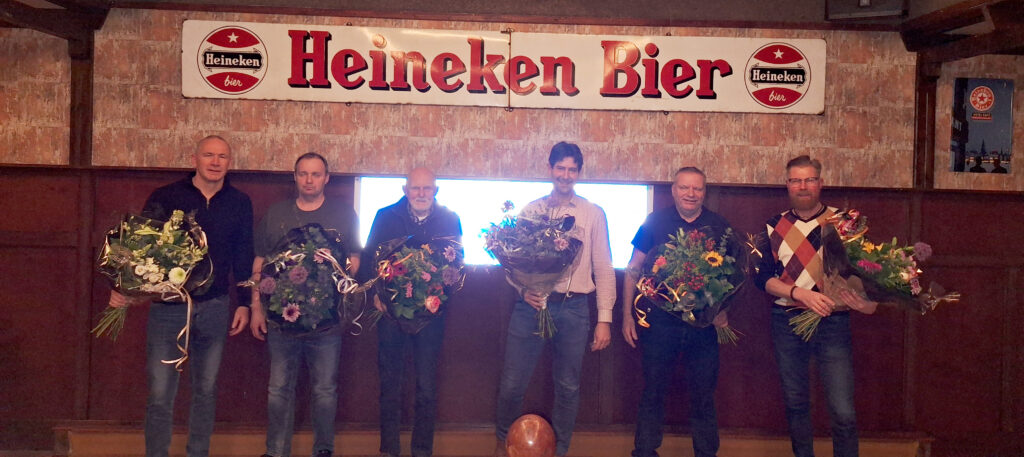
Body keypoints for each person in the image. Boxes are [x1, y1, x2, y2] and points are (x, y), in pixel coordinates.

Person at [107, 135, 254, 457]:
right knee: (161, 393)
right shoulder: (166, 196)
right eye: (209, 155)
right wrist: (122, 286)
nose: (215, 162)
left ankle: (197, 453)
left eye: (222, 157)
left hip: (215, 305)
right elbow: (139, 247)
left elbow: (244, 255)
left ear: (229, 163)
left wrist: (245, 302)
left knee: (206, 391)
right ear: (194, 159)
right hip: (169, 307)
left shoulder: (240, 202)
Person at [494, 142, 615, 457]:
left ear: (579, 173)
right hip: (531, 307)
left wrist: (604, 318)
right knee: (512, 384)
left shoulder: (593, 213)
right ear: (550, 169)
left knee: (568, 387)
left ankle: (558, 451)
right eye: (560, 168)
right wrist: (524, 291)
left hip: (575, 308)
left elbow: (604, 267)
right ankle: (505, 446)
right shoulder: (531, 211)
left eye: (572, 169)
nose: (565, 175)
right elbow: (511, 266)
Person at [754, 155, 877, 457]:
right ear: (787, 185)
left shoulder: (844, 222)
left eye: (809, 180)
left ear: (821, 183)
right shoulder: (773, 225)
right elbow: (763, 279)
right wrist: (799, 294)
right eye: (796, 180)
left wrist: (865, 302)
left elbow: (867, 271)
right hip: (787, 320)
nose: (803, 186)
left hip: (833, 322)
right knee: (796, 403)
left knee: (843, 409)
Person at [249, 152, 361, 457]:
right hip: (280, 319)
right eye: (303, 174)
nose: (309, 180)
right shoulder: (276, 213)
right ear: (295, 177)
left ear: (326, 178)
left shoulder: (343, 214)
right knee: (278, 390)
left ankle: (323, 450)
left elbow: (354, 259)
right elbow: (260, 262)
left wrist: (326, 278)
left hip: (327, 320)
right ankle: (276, 451)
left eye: (316, 174)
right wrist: (256, 307)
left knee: (324, 391)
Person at [621, 167, 731, 457]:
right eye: (684, 187)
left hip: (703, 325)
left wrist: (723, 309)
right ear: (673, 190)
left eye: (697, 188)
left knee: (704, 394)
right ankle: (644, 451)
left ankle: (706, 453)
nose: (690, 194)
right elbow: (633, 268)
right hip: (661, 323)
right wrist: (626, 315)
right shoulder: (654, 222)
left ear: (704, 192)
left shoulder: (719, 225)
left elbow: (731, 276)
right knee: (653, 390)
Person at [360, 167, 463, 457]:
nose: (421, 194)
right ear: (405, 190)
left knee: (426, 388)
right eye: (415, 188)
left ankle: (422, 451)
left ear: (436, 191)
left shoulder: (450, 218)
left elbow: (456, 265)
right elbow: (369, 260)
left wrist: (441, 296)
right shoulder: (385, 216)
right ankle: (389, 450)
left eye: (427, 188)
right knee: (390, 385)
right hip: (391, 313)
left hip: (431, 317)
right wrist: (375, 295)